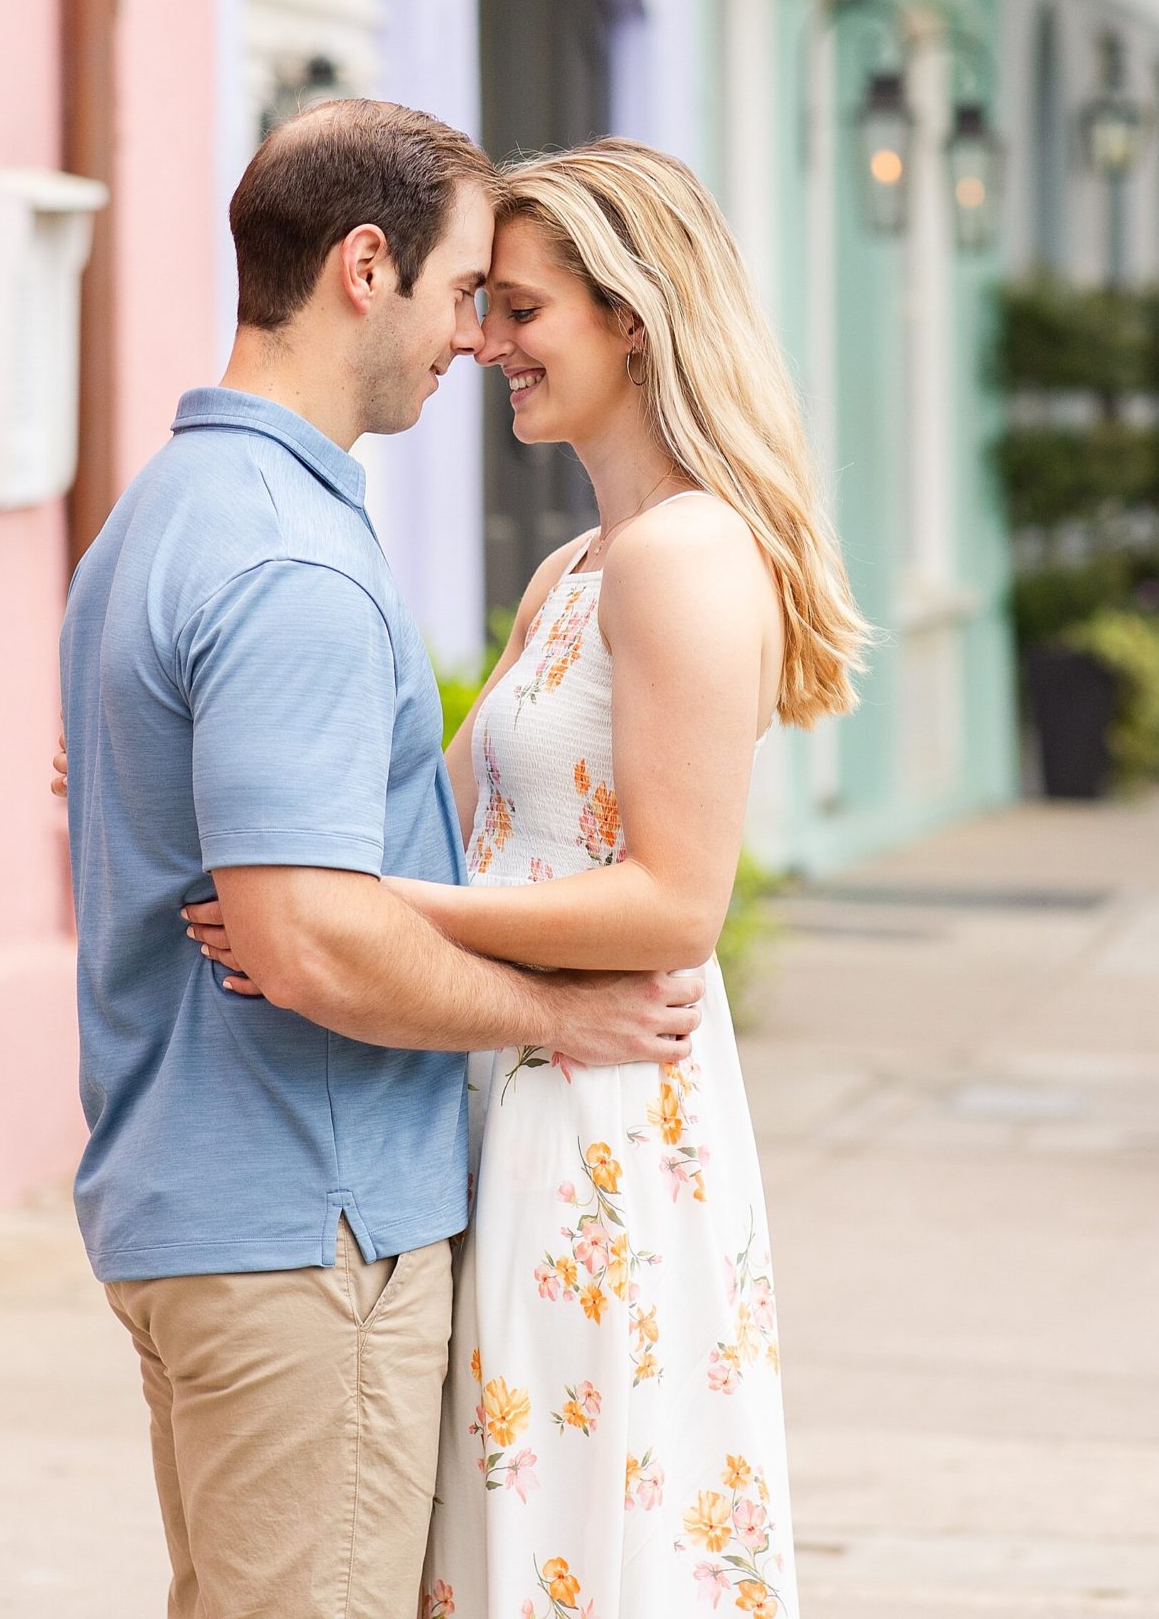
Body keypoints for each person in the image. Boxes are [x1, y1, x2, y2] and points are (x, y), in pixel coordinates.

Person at [191, 138, 866, 1619]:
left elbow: (674, 905)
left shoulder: (681, 559)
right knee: (501, 1520)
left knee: (571, 1525)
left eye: (522, 310)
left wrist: (370, 916)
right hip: (510, 1074)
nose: (486, 342)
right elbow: (424, 822)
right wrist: (202, 766)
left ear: (633, 317)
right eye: (483, 305)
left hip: (602, 1111)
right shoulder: (576, 568)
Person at [57, 99, 707, 1619]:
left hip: (198, 1204)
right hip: (308, 1229)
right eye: (467, 289)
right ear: (368, 266)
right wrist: (562, 1015)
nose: (476, 339)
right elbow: (307, 939)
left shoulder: (160, 515)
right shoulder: (289, 556)